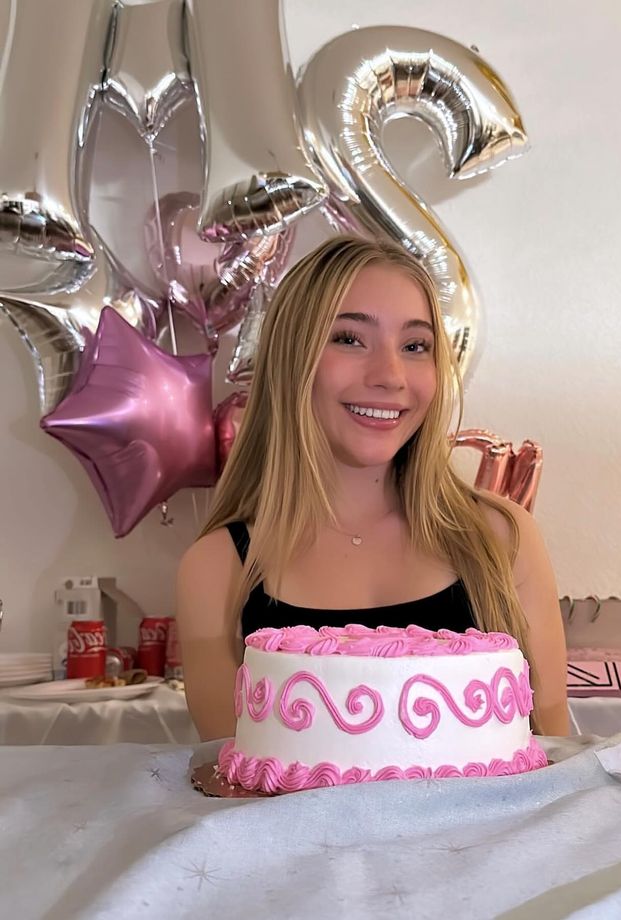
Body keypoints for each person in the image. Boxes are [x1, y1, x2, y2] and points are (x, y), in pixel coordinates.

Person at [176, 235, 569, 741]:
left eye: (415, 346)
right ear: (291, 360)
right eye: (349, 338)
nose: (390, 376)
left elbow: (555, 753)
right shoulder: (215, 567)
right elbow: (236, 776)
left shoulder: (503, 538)